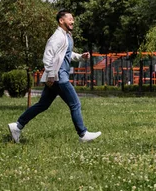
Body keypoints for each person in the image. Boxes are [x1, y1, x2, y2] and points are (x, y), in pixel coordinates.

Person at [7, 10, 102, 143]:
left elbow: (66, 53)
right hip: (58, 76)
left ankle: (17, 126)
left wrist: (81, 56)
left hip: (56, 76)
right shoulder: (57, 36)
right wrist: (51, 75)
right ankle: (83, 134)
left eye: (73, 19)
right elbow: (47, 56)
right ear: (61, 21)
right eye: (69, 19)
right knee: (75, 104)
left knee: (43, 104)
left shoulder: (66, 35)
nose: (72, 21)